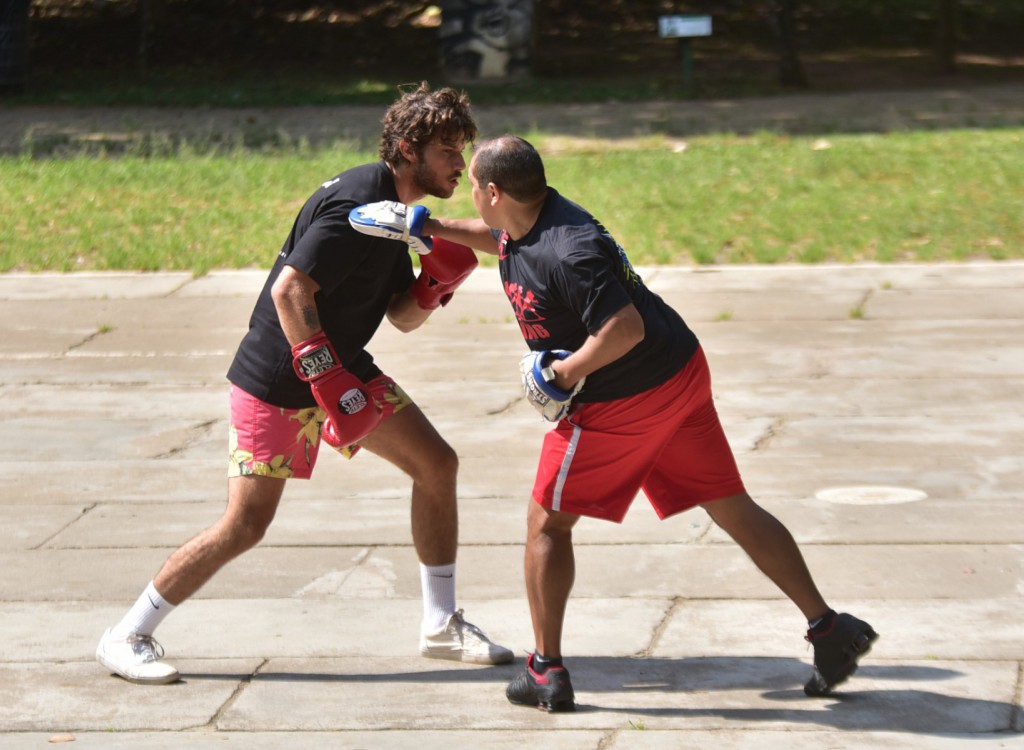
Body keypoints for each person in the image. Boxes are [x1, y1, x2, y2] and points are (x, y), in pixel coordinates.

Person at [348, 134, 877, 712]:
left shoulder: (569, 251)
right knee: (729, 502)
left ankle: (545, 671)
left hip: (624, 398)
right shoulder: (532, 214)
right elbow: (497, 236)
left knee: (547, 525)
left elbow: (624, 327)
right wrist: (425, 225)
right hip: (679, 374)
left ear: (494, 191)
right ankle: (829, 629)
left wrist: (564, 374)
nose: (469, 192)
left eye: (474, 184)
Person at [96, 83, 513, 685]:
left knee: (436, 464)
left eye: (461, 151)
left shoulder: (397, 216)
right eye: (448, 151)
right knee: (245, 525)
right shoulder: (356, 204)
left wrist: (433, 287)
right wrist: (327, 378)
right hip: (280, 380)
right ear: (407, 149)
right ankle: (127, 634)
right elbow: (289, 291)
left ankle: (441, 624)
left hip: (341, 367)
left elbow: (400, 317)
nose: (458, 164)